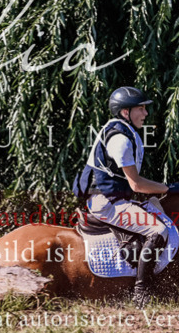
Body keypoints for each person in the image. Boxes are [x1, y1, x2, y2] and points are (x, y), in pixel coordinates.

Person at [73, 86, 172, 307]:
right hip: (107, 203)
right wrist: (167, 188)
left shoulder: (121, 129)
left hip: (114, 197)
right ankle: (141, 291)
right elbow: (136, 184)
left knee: (158, 206)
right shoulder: (121, 140)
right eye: (141, 109)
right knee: (158, 230)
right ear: (125, 112)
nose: (146, 113)